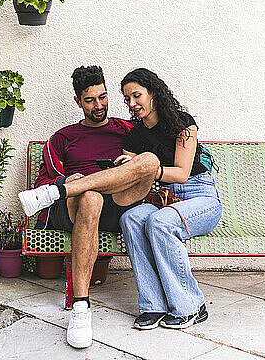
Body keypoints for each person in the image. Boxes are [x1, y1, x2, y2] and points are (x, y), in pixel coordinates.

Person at [18, 65, 160, 349]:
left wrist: (129, 166)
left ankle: (69, 188)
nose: (99, 105)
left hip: (118, 203)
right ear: (77, 101)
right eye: (90, 100)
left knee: (150, 162)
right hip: (75, 208)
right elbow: (44, 178)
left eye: (104, 97)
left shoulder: (128, 129)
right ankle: (81, 308)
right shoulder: (63, 138)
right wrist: (65, 179)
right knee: (91, 197)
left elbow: (161, 152)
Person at [117, 68, 222, 330]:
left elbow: (183, 173)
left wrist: (147, 167)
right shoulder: (134, 135)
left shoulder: (182, 123)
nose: (132, 103)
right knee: (131, 218)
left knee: (160, 224)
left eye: (137, 95)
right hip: (164, 199)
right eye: (127, 98)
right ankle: (153, 305)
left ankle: (190, 306)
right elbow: (132, 177)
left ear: (153, 93)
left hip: (200, 197)